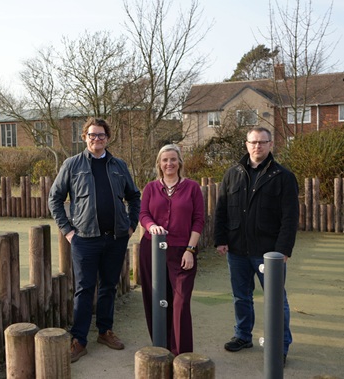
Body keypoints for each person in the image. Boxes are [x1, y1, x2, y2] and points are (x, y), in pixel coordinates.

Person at [48, 117, 141, 363]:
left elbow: (134, 196)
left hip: (115, 238)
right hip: (85, 239)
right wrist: (68, 231)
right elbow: (54, 199)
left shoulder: (119, 165)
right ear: (84, 137)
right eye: (92, 135)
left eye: (100, 135)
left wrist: (131, 225)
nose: (96, 139)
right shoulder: (72, 165)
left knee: (109, 286)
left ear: (107, 138)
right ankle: (79, 340)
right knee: (84, 288)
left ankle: (104, 331)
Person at [214, 126, 298, 365]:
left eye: (262, 142)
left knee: (276, 301)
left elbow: (290, 217)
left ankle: (279, 346)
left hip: (269, 252)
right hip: (238, 250)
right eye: (253, 142)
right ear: (246, 144)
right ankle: (243, 335)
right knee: (241, 297)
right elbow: (221, 209)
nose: (257, 146)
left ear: (271, 144)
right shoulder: (233, 174)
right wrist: (220, 239)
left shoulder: (283, 177)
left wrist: (283, 250)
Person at [138, 144, 205, 356]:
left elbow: (198, 220)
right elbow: (143, 214)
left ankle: (181, 354)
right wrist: (151, 226)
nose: (169, 164)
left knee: (180, 301)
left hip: (182, 251)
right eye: (165, 160)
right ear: (159, 163)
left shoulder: (192, 188)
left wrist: (190, 250)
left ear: (180, 162)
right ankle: (161, 347)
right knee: (155, 298)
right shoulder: (150, 188)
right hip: (152, 249)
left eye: (173, 159)